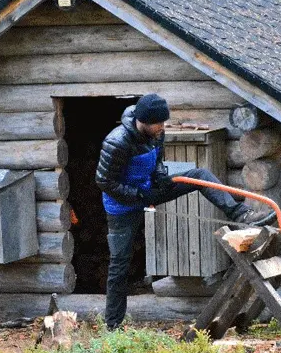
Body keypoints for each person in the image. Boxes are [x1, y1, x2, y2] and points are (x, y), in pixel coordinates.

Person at [95, 94, 270, 330]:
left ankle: (241, 214)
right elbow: (105, 182)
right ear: (143, 121)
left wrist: (159, 179)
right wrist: (138, 196)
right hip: (121, 206)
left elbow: (156, 161)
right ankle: (113, 326)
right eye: (158, 123)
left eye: (163, 123)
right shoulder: (117, 142)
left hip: (148, 190)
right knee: (120, 264)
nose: (162, 128)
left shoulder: (156, 134)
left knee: (199, 176)